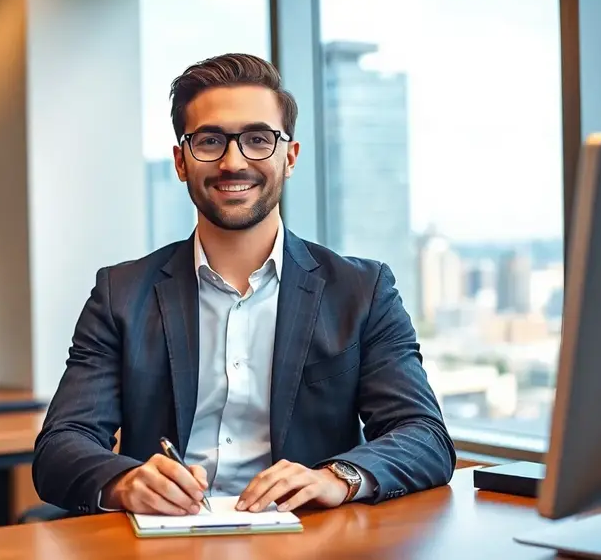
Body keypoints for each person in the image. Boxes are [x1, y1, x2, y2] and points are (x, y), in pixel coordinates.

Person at [32, 53, 455, 517]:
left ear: (289, 157)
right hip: (161, 544)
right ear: (180, 161)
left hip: (306, 543)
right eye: (210, 141)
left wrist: (336, 478)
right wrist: (125, 482)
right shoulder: (122, 294)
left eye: (258, 139)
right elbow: (60, 445)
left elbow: (424, 435)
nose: (233, 162)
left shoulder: (361, 290)